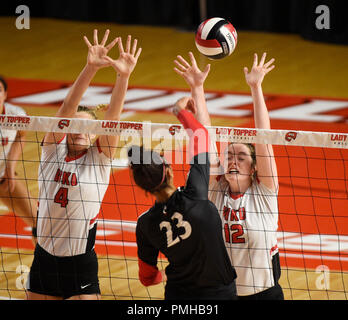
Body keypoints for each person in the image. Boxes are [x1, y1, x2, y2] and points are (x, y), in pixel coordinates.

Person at [26, 29, 141, 300]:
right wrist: (90, 68)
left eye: (88, 126)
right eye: (76, 124)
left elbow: (112, 118)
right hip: (43, 259)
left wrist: (122, 76)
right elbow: (67, 106)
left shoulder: (99, 160)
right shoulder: (52, 150)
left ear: (94, 134)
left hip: (80, 264)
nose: (81, 130)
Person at [174, 52, 284, 300]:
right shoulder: (216, 190)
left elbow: (263, 137)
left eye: (241, 157)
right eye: (229, 156)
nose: (233, 160)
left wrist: (256, 87)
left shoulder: (264, 192)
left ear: (254, 167)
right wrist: (197, 88)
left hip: (263, 293)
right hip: (222, 293)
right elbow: (204, 136)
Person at [129, 96, 237, 300]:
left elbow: (148, 278)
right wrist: (180, 111)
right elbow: (202, 137)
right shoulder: (195, 194)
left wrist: (161, 274)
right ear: (168, 171)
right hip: (218, 295)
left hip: (178, 295)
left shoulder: (145, 223)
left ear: (143, 187)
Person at [0, 76, 37, 240]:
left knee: (40, 222)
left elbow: (21, 136)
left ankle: (44, 265)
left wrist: (10, 169)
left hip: (3, 178)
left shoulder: (16, 115)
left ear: (5, 94)